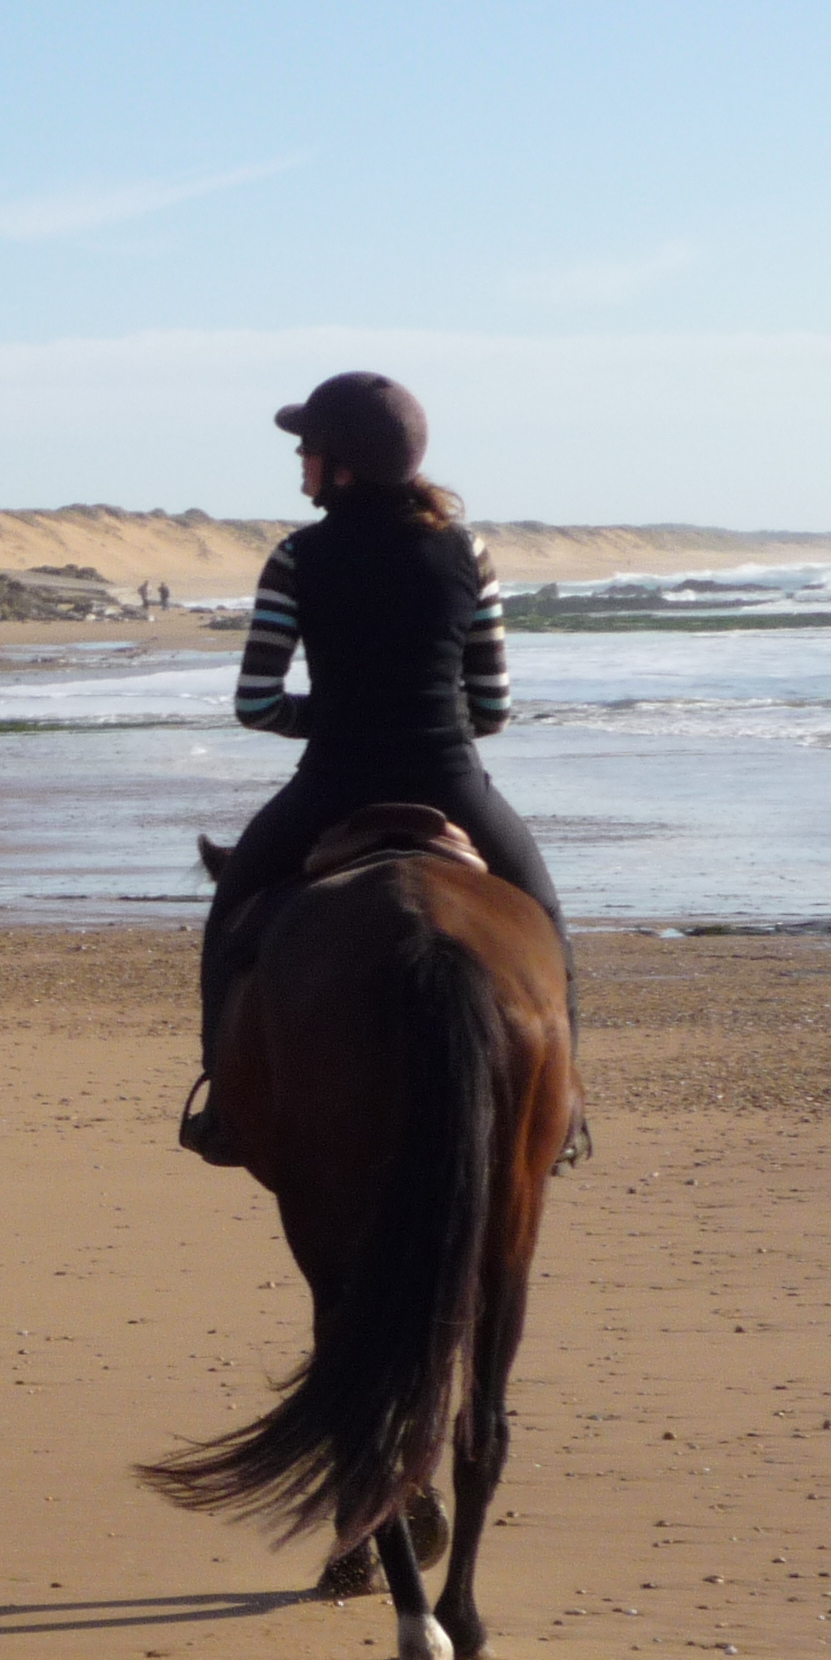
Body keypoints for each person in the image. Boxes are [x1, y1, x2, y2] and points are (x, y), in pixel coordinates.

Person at [177, 370, 569, 1165]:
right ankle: (564, 1117)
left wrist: (332, 719)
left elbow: (256, 702)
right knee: (546, 926)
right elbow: (491, 706)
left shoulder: (298, 556)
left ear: (341, 463)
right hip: (451, 779)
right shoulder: (470, 553)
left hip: (333, 784)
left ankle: (222, 1099)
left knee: (230, 918)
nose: (299, 464)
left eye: (308, 449)